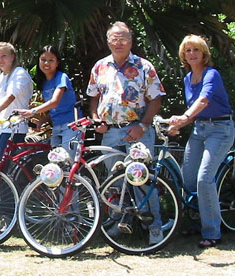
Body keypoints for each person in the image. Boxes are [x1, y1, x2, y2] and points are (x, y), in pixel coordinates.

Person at [86, 21, 166, 245]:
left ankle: (154, 229)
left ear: (130, 41)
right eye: (114, 38)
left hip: (138, 132)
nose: (118, 42)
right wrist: (96, 119)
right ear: (108, 41)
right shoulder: (99, 67)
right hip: (110, 133)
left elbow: (156, 98)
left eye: (123, 38)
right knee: (115, 184)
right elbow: (93, 97)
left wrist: (142, 126)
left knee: (142, 182)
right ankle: (120, 225)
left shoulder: (144, 66)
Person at [166, 34, 234, 248]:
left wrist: (184, 118)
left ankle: (213, 231)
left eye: (196, 50)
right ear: (183, 55)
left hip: (220, 129)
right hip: (199, 129)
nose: (192, 54)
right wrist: (178, 125)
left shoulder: (211, 74)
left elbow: (203, 100)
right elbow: (195, 112)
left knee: (204, 178)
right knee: (187, 178)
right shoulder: (187, 79)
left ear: (204, 53)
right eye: (188, 51)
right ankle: (197, 222)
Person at [17, 45, 81, 157]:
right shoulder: (44, 83)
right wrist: (42, 121)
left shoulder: (61, 77)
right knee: (55, 162)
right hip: (56, 127)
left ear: (57, 63)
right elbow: (56, 110)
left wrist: (33, 111)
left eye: (51, 60)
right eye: (43, 60)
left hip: (71, 126)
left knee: (68, 162)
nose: (46, 63)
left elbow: (55, 102)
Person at [0, 42, 33, 158]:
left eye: (4, 56)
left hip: (13, 127)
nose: (0, 60)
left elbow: (11, 96)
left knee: (3, 164)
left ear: (13, 56)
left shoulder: (19, 73)